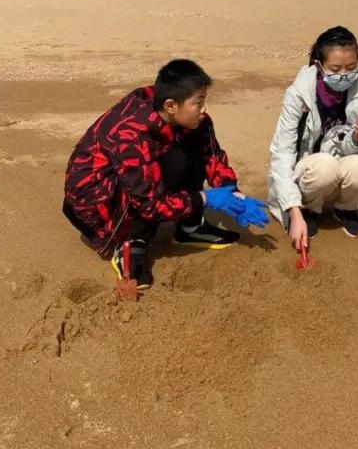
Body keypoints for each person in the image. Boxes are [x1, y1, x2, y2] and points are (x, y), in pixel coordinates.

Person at [63, 60, 269, 289]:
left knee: (191, 140)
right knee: (171, 164)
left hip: (131, 180)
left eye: (203, 100)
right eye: (198, 103)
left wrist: (231, 190)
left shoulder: (177, 109)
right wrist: (205, 199)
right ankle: (131, 242)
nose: (204, 109)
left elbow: (211, 155)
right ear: (171, 106)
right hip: (94, 203)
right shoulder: (132, 134)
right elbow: (148, 204)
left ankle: (190, 227)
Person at [268, 27, 358, 245]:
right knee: (324, 165)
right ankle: (308, 210)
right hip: (308, 171)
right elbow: (283, 153)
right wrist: (293, 211)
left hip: (337, 164)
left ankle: (346, 208)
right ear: (319, 66)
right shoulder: (297, 94)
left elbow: (353, 151)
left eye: (351, 68)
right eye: (335, 69)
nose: (344, 75)